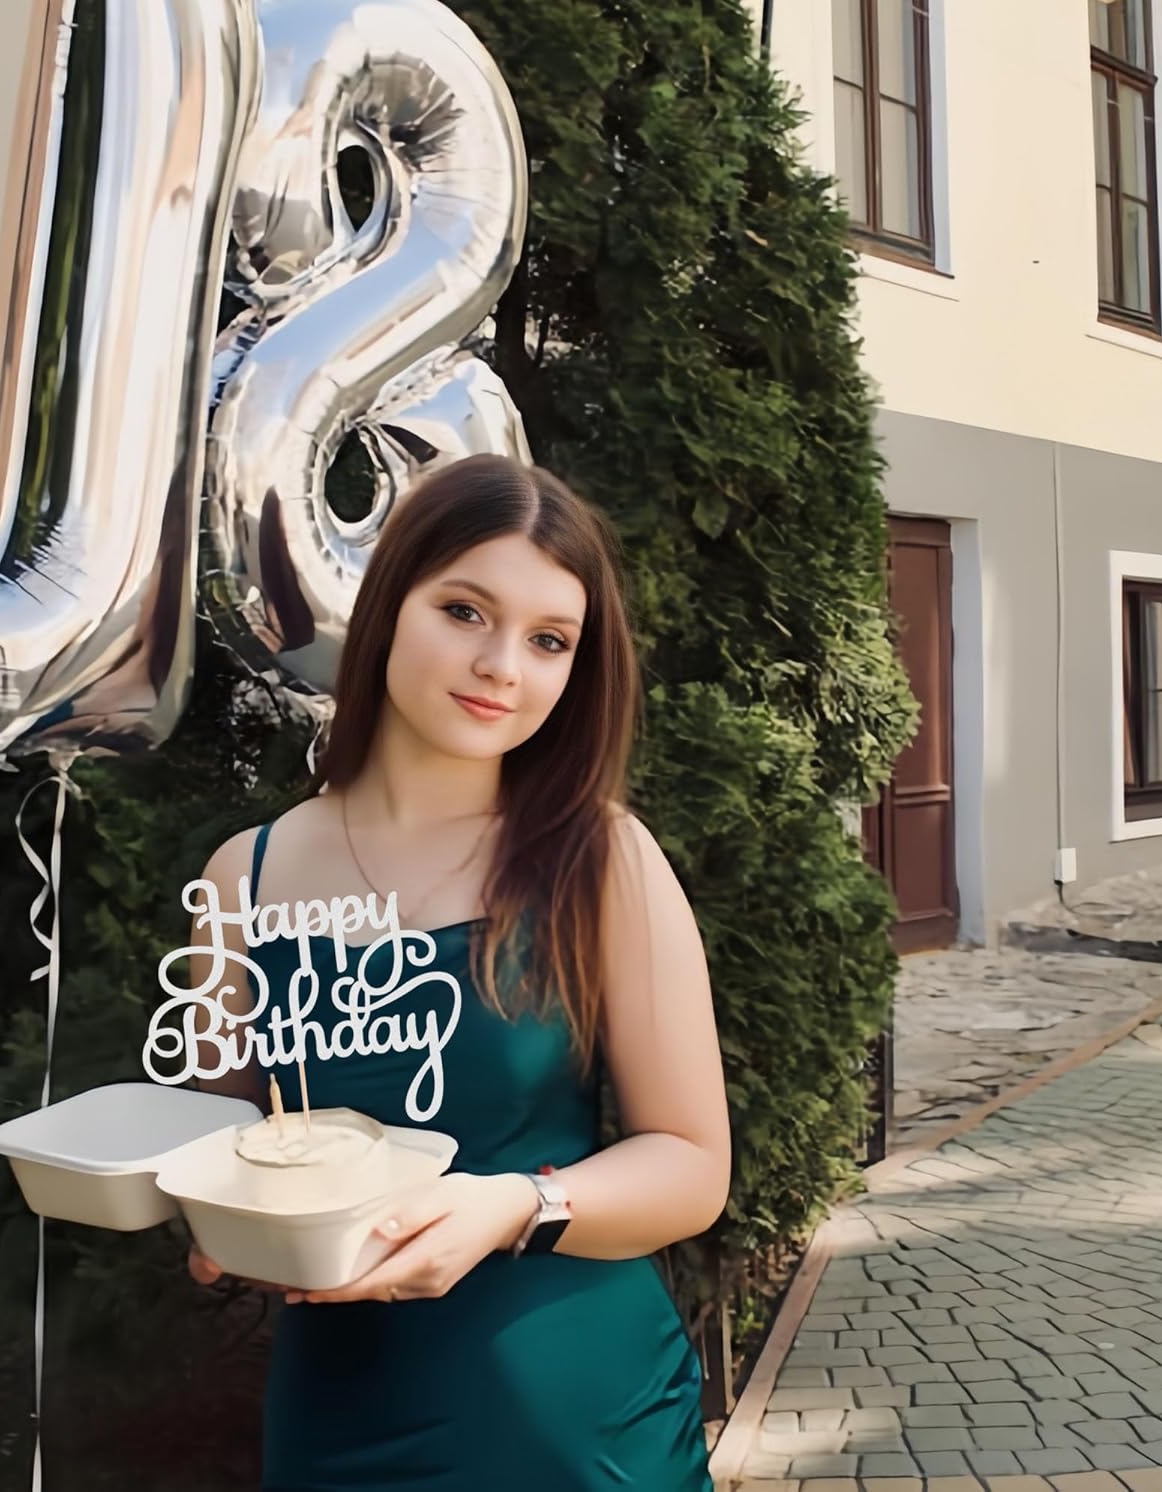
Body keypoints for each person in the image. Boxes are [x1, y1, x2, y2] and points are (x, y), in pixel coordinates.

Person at [186, 453, 731, 1490]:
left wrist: (511, 1207)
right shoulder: (242, 877)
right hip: (341, 1416)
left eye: (549, 639)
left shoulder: (601, 858)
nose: (502, 666)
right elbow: (227, 1152)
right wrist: (215, 1224)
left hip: (580, 1429)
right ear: (390, 604)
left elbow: (693, 1166)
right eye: (466, 611)